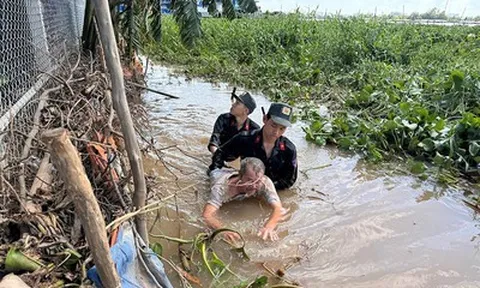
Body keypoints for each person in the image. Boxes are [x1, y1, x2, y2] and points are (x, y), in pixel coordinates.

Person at [209, 102, 297, 190]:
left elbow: (289, 180)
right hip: (245, 185)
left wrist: (266, 188)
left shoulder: (289, 149)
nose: (276, 132)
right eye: (274, 125)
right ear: (265, 119)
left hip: (270, 188)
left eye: (282, 128)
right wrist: (217, 176)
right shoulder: (245, 139)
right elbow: (219, 154)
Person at [203, 157, 285, 242]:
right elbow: (207, 215)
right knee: (213, 171)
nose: (254, 185)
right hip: (218, 174)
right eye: (249, 180)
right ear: (240, 176)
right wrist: (222, 230)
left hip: (234, 173)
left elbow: (278, 208)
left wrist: (269, 227)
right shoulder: (221, 188)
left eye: (257, 181)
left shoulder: (265, 182)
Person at [207, 90, 260, 155]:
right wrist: (217, 156)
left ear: (246, 111)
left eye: (237, 103)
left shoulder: (254, 129)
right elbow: (214, 140)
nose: (233, 104)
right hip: (219, 153)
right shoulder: (223, 119)